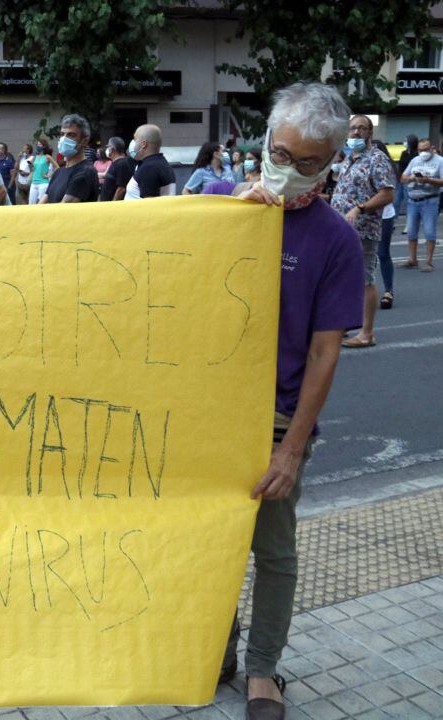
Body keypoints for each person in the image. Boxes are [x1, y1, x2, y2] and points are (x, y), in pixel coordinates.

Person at [224, 82, 364, 720]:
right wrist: (231, 217)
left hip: (277, 415)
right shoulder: (218, 208)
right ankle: (210, 648)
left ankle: (262, 671)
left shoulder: (335, 239)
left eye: (309, 163)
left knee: (272, 552)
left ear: (332, 161)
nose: (290, 171)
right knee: (208, 540)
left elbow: (324, 351)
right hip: (209, 413)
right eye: (282, 154)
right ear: (264, 145)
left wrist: (290, 448)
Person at [330, 114, 395, 349]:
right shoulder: (350, 158)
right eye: (352, 129)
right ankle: (347, 324)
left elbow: (387, 193)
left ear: (370, 133)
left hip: (364, 230)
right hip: (341, 230)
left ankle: (367, 333)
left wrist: (360, 208)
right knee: (345, 280)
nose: (356, 133)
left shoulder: (376, 159)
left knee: (365, 279)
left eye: (361, 129)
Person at [399, 137, 443, 270]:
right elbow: (402, 178)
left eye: (425, 150)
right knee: (411, 232)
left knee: (430, 232)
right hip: (413, 200)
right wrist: (412, 177)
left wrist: (428, 180)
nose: (423, 152)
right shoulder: (415, 160)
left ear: (431, 148)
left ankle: (428, 262)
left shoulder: (440, 161)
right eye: (420, 150)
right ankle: (413, 259)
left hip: (430, 200)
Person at [39, 114, 100, 204]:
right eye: (62, 134)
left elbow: (63, 210)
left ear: (85, 141)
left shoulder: (85, 172)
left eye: (71, 135)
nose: (64, 139)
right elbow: (41, 205)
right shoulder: (59, 172)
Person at [124, 124, 177, 200]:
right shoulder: (160, 163)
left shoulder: (149, 168)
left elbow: (150, 206)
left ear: (144, 144)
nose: (132, 143)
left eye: (135, 139)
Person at [100, 137, 134, 202]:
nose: (106, 149)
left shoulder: (121, 164)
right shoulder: (115, 163)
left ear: (112, 149)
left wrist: (113, 205)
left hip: (112, 207)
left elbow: (121, 188)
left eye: (108, 146)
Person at [395, 133, 417, 216]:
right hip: (401, 179)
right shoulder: (404, 153)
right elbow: (400, 166)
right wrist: (399, 177)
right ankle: (393, 220)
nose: (404, 142)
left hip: (409, 180)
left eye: (406, 141)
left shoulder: (416, 154)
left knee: (408, 200)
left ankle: (410, 219)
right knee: (396, 200)